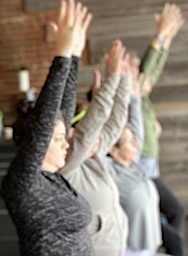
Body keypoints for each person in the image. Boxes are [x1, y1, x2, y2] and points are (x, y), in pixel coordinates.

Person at [1, 0, 95, 254]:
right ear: (36, 143)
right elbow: (46, 121)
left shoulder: (52, 179)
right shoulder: (24, 183)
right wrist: (62, 55)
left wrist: (74, 54)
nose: (66, 143)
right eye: (56, 140)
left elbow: (61, 113)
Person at [59, 40, 131, 256]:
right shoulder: (69, 165)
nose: (97, 137)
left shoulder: (95, 154)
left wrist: (124, 80)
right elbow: (92, 125)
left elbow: (116, 122)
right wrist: (112, 78)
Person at [137, 3, 186, 255]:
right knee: (176, 211)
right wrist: (159, 36)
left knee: (175, 212)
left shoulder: (142, 101)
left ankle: (161, 243)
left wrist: (166, 39)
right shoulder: (131, 99)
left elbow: (151, 72)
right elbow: (147, 72)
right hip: (142, 171)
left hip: (149, 168)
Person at [102, 75, 162, 255]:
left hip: (149, 246)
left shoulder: (133, 164)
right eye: (129, 142)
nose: (135, 144)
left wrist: (135, 98)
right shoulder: (109, 170)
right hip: (130, 250)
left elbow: (138, 132)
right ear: (113, 149)